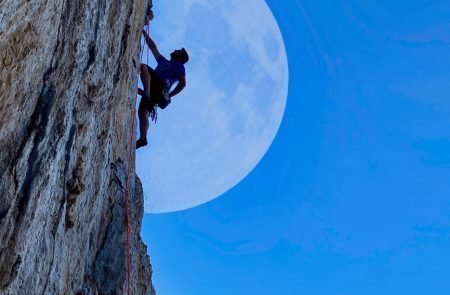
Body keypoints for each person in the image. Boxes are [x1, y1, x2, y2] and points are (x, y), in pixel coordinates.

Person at [137, 30, 189, 149]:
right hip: (158, 90)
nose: (175, 50)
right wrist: (144, 33)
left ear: (180, 56)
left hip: (160, 86)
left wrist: (170, 95)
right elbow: (153, 47)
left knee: (143, 66)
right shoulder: (163, 61)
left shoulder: (179, 66)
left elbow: (183, 83)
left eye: (178, 51)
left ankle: (147, 94)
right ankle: (143, 138)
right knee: (143, 112)